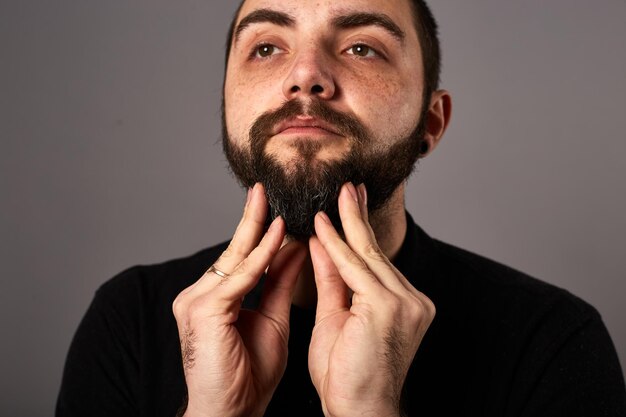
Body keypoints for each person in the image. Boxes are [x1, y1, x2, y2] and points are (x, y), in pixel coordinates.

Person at [57, 0, 626, 416]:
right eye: (266, 48)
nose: (304, 75)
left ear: (432, 121)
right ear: (226, 104)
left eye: (361, 47)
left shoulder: (551, 340)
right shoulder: (129, 321)